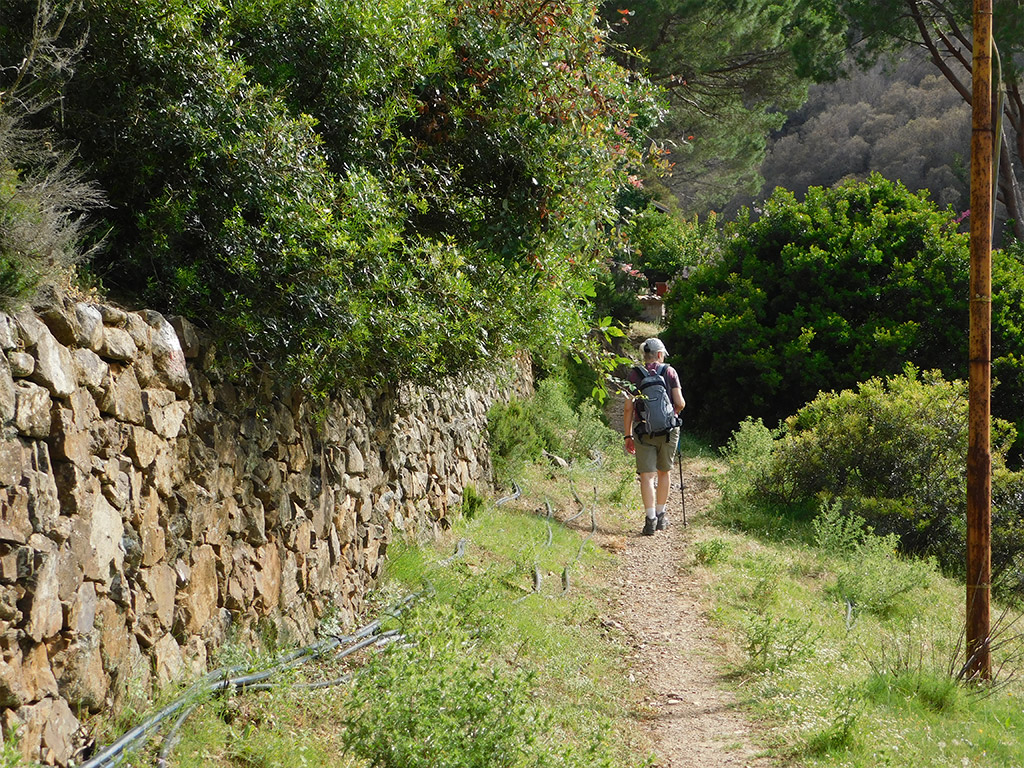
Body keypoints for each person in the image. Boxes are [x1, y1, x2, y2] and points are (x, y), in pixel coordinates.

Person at [623, 338, 685, 535]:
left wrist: (627, 435)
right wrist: (670, 416)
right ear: (660, 354)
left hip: (643, 431)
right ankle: (661, 515)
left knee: (647, 476)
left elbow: (627, 408)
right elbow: (681, 402)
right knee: (664, 472)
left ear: (645, 355)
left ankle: (649, 519)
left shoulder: (635, 374)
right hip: (668, 432)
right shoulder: (669, 371)